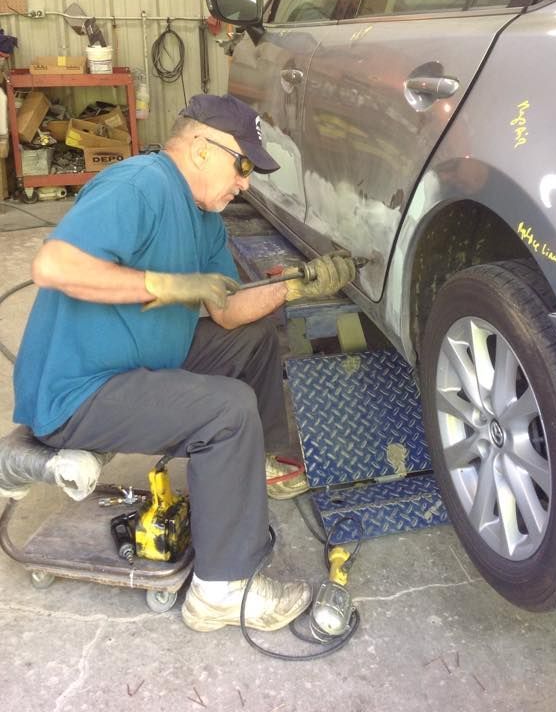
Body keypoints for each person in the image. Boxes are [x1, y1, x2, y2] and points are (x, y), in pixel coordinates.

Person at [12, 93, 356, 633]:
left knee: (256, 337)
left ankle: (253, 465)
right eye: (242, 165)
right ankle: (221, 591)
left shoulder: (205, 220)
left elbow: (228, 311)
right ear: (199, 148)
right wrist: (163, 284)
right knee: (225, 410)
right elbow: (52, 265)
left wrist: (298, 284)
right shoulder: (139, 184)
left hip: (137, 363)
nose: (246, 182)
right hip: (79, 391)